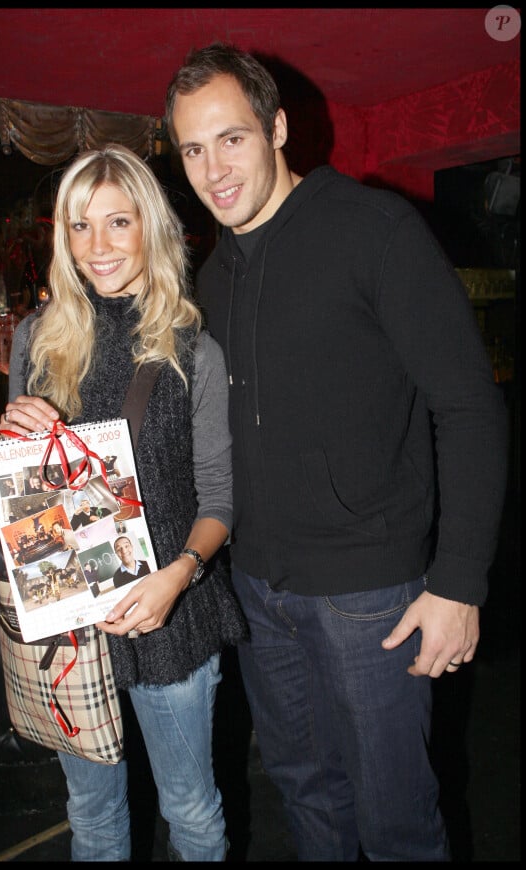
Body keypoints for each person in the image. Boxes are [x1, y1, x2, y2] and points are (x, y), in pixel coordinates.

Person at [165, 43, 509, 862]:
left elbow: (469, 406)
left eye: (232, 138)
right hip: (259, 590)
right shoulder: (216, 275)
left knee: (396, 822)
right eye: (192, 149)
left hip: (370, 596)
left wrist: (459, 581)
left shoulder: (374, 229)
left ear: (278, 128)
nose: (213, 168)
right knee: (305, 800)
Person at [0, 142, 248, 862]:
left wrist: (180, 575)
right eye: (80, 226)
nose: (98, 246)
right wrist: (14, 433)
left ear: (152, 227)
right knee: (93, 814)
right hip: (70, 624)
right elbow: (21, 494)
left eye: (117, 221)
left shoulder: (193, 349)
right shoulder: (35, 338)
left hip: (168, 615)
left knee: (192, 813)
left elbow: (220, 500)